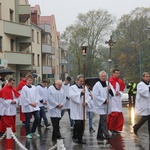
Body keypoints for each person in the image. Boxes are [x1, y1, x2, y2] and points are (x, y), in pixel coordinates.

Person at [69, 74, 91, 144]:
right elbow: (72, 96)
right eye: (80, 81)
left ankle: (80, 138)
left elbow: (88, 97)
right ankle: (74, 136)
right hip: (76, 108)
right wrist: (81, 93)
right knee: (77, 123)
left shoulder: (85, 88)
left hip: (82, 108)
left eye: (83, 81)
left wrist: (86, 102)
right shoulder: (72, 88)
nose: (82, 82)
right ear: (77, 81)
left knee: (82, 124)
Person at [93, 71, 113, 140]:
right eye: (102, 76)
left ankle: (99, 135)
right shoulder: (97, 85)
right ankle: (107, 134)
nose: (104, 77)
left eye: (105, 76)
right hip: (100, 105)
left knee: (102, 120)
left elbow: (112, 93)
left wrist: (109, 90)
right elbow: (95, 95)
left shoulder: (108, 83)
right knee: (103, 119)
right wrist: (104, 100)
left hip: (106, 105)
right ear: (100, 77)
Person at [20, 74, 40, 139]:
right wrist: (31, 103)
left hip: (34, 105)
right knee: (27, 121)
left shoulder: (34, 87)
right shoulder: (24, 88)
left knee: (37, 118)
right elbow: (24, 98)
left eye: (31, 80)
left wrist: (36, 102)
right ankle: (28, 133)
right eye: (29, 80)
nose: (30, 81)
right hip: (28, 106)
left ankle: (33, 131)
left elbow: (37, 96)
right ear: (26, 80)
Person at [107, 69, 125, 134]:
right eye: (116, 73)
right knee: (114, 114)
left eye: (118, 73)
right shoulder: (110, 81)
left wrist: (119, 93)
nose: (117, 74)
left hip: (118, 100)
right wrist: (114, 93)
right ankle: (111, 128)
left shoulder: (120, 81)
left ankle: (116, 129)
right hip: (112, 99)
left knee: (119, 115)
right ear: (113, 74)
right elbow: (108, 90)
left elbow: (122, 90)